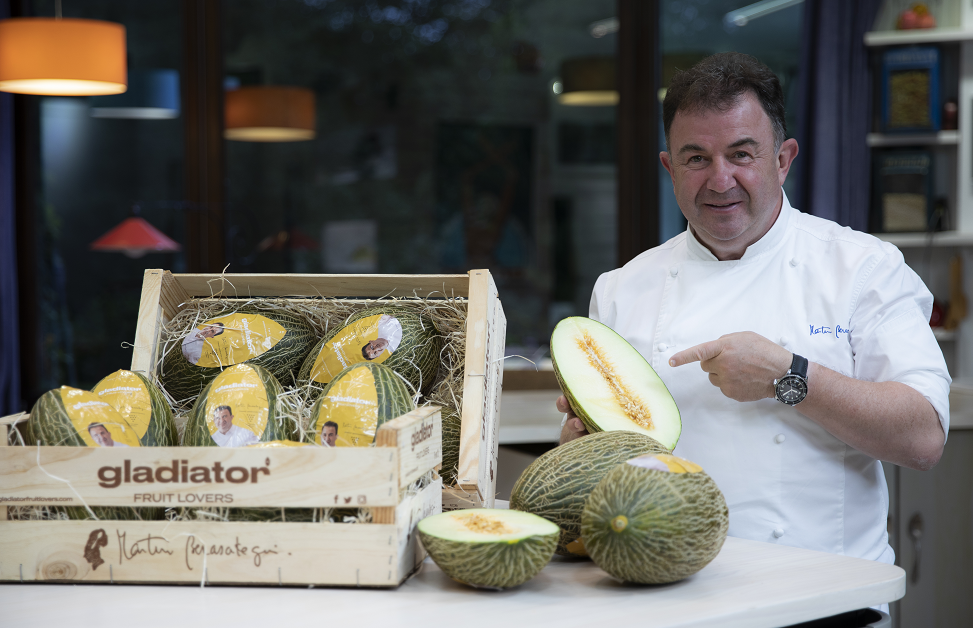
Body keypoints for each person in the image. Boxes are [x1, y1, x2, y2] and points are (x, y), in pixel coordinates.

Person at [558, 52, 949, 572]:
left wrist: (789, 376)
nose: (720, 181)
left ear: (783, 159)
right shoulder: (621, 289)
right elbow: (605, 464)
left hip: (826, 595)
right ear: (669, 167)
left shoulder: (863, 268)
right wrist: (580, 446)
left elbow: (923, 439)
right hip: (668, 589)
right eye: (696, 158)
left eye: (741, 154)